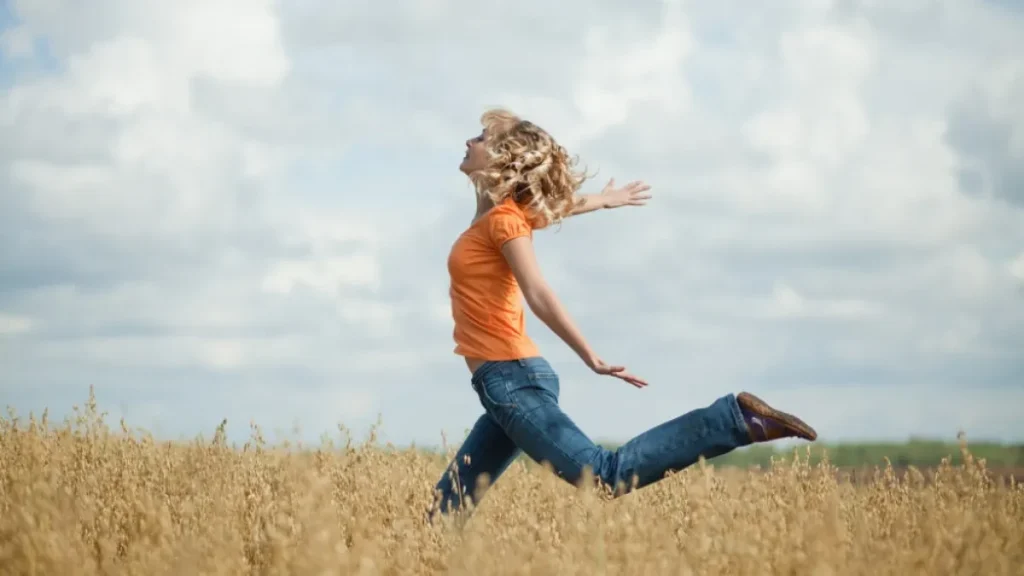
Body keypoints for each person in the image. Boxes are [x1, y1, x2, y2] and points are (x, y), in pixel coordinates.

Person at [428, 109, 817, 521]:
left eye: (481, 138)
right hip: (504, 380)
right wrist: (604, 200)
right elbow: (557, 208)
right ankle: (431, 559)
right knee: (450, 501)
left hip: (511, 379)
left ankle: (735, 420)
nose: (470, 142)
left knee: (604, 476)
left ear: (505, 159)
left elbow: (538, 291)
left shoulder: (505, 222)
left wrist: (589, 356)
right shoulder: (500, 217)